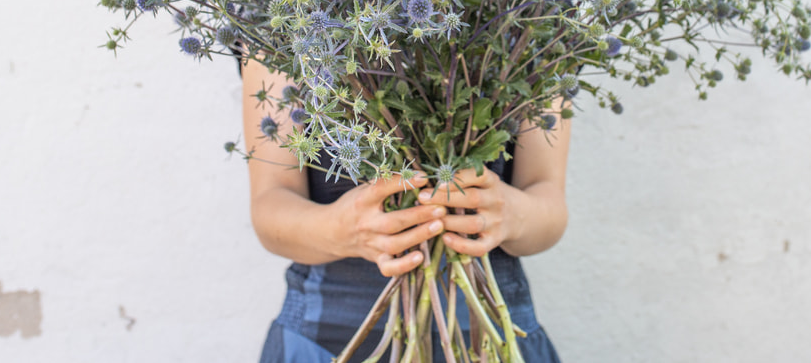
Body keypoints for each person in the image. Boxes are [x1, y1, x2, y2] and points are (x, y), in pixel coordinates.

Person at [241, 57, 570, 362]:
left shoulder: (541, 20)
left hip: (494, 339)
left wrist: (513, 216)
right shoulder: (278, 19)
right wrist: (340, 229)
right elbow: (270, 205)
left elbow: (549, 201)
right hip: (322, 340)